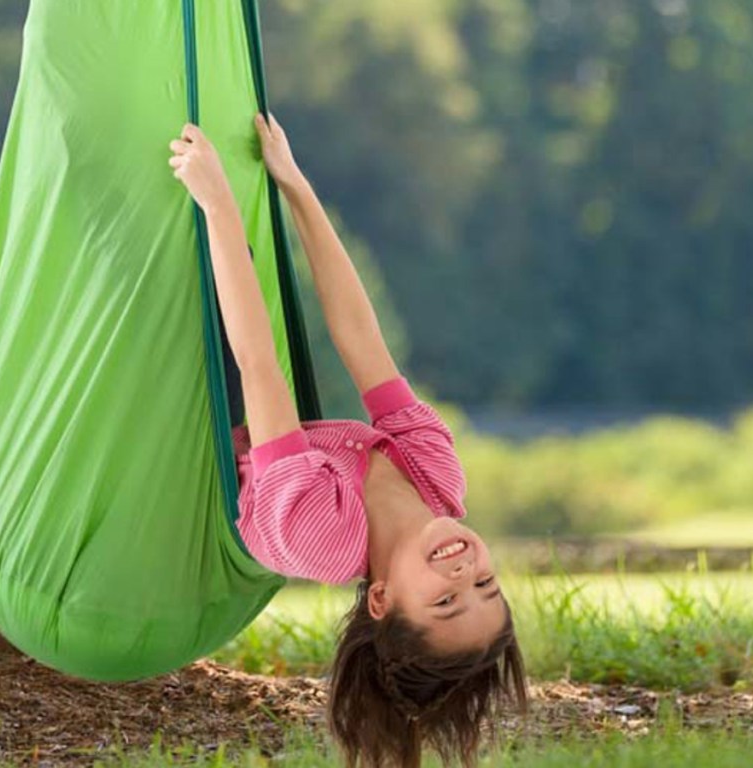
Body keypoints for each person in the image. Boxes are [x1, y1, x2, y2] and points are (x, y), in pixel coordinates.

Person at [169, 113, 528, 768]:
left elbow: (257, 364)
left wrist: (218, 202)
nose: (464, 572)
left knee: (194, 244)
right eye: (486, 586)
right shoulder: (438, 480)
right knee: (232, 247)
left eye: (445, 600)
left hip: (188, 412)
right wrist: (295, 184)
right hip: (243, 382)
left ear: (384, 600)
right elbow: (361, 339)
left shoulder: (322, 538)